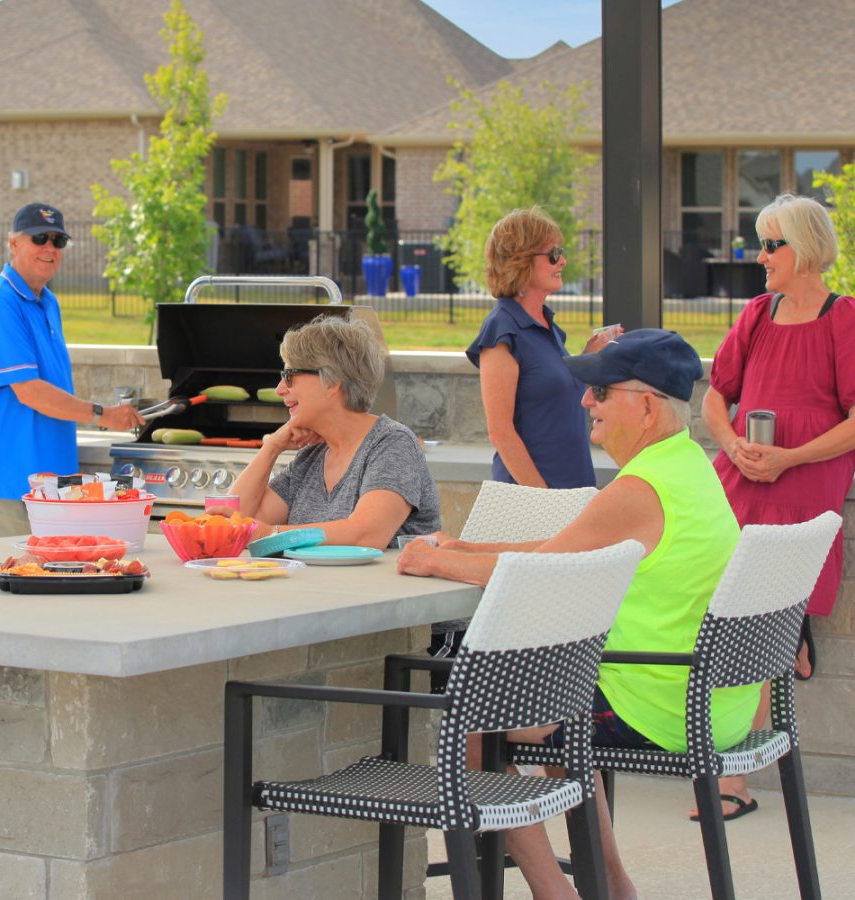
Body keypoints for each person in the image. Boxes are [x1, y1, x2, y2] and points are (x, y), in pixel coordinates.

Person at [399, 329, 761, 900]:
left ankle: (558, 892)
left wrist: (431, 562)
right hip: (711, 700)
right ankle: (612, 883)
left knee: (472, 724)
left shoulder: (641, 488)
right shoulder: (687, 465)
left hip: (659, 704)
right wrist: (461, 550)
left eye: (600, 390)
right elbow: (562, 548)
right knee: (552, 703)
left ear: (645, 407)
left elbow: (539, 572)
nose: (585, 400)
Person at [700, 193, 855, 819]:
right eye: (760, 243)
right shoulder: (757, 314)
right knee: (724, 604)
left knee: (754, 619)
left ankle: (734, 780)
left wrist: (790, 458)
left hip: (802, 481)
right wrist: (733, 443)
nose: (758, 256)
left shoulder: (845, 318)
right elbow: (717, 394)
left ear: (806, 249)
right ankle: (793, 635)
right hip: (743, 476)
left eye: (771, 245)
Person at [0, 203, 145, 539]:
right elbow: (30, 391)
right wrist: (102, 414)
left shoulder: (48, 302)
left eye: (58, 240)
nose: (49, 247)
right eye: (39, 238)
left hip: (54, 489)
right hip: (12, 489)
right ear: (14, 243)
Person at [230, 314, 440, 548]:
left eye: (289, 376)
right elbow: (234, 524)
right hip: (315, 584)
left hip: (381, 585)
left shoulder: (391, 444)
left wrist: (272, 534)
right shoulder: (311, 458)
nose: (279, 389)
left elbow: (366, 535)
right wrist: (271, 448)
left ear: (331, 382)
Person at [467, 206, 619, 489]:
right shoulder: (503, 329)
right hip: (532, 497)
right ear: (520, 261)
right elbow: (500, 432)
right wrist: (543, 498)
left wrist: (589, 355)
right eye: (552, 255)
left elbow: (555, 394)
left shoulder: (545, 323)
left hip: (572, 487)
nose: (562, 261)